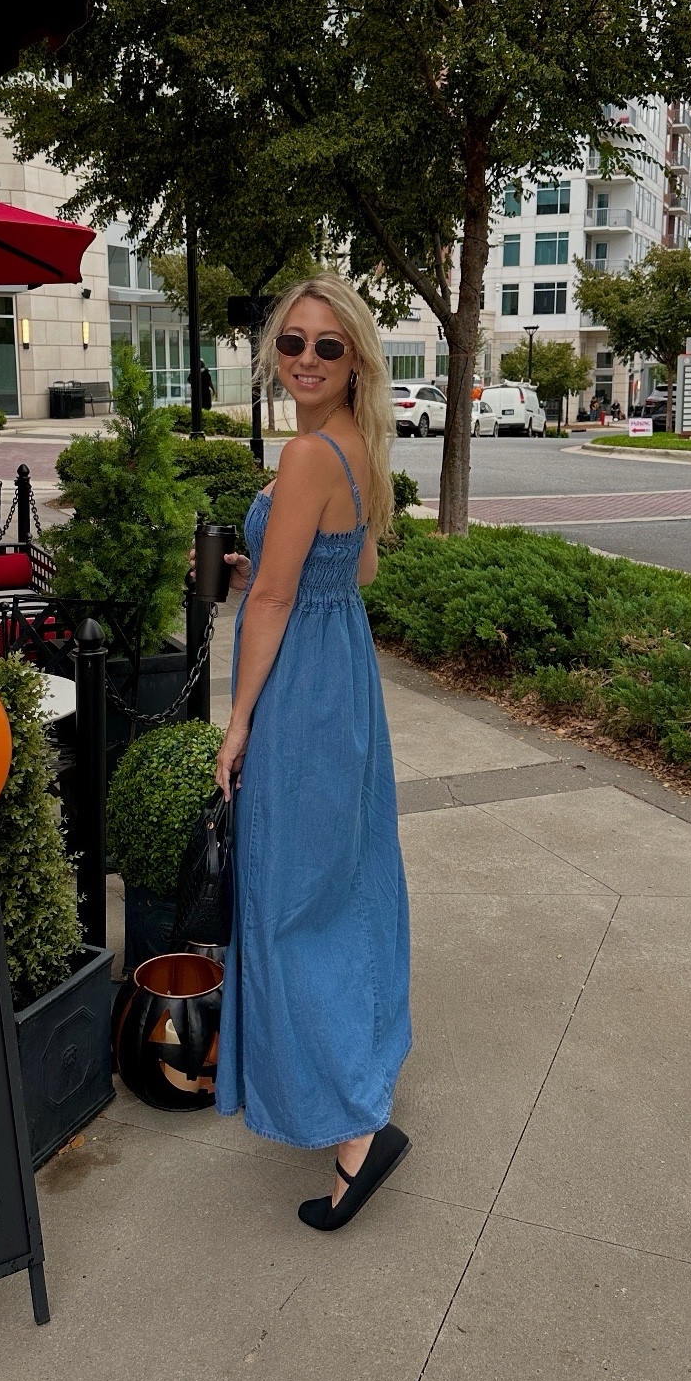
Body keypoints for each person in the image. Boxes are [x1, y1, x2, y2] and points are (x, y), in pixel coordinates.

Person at [212, 273, 412, 1231]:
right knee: (345, 884)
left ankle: (353, 1129)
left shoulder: (304, 455)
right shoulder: (360, 447)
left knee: (292, 902)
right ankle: (364, 1083)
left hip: (300, 689)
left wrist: (239, 717)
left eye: (328, 346)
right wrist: (275, 562)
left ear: (355, 359)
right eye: (292, 341)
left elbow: (278, 603)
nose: (305, 358)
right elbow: (354, 567)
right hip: (347, 680)